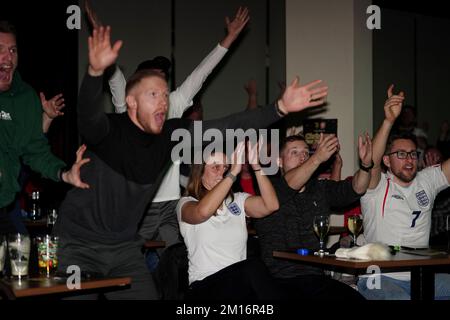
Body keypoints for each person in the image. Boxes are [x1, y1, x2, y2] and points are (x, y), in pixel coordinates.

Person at [53, 25, 328, 299]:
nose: (163, 101)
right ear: (131, 102)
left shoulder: (171, 134)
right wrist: (94, 73)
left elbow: (227, 124)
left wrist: (278, 108)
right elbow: (86, 114)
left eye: (164, 95)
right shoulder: (109, 130)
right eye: (153, 95)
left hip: (123, 248)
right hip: (80, 245)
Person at [97, 5, 252, 258]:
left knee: (175, 262)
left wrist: (229, 38)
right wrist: (105, 53)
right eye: (152, 86)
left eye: (163, 83)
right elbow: (115, 80)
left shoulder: (174, 104)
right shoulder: (129, 106)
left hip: (171, 204)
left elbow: (201, 74)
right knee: (127, 262)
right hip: (140, 204)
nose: (160, 91)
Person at [358, 84, 450, 300]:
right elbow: (371, 161)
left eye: (412, 154)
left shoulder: (426, 180)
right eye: (400, 154)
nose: (409, 159)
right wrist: (389, 120)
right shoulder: (376, 186)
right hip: (380, 277)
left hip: (422, 274)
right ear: (387, 160)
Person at [254, 132, 372, 300]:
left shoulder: (320, 188)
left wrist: (366, 166)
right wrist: (316, 158)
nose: (302, 156)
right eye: (294, 152)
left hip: (315, 277)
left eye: (305, 153)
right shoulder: (269, 190)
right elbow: (289, 184)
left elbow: (357, 188)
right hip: (278, 280)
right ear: (279, 162)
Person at [0, 21, 88, 236]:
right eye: (0, 50)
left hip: (4, 206)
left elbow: (35, 150)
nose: (8, 58)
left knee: (19, 254)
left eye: (12, 50)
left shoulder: (25, 97)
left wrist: (65, 174)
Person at [177, 142, 282, 300]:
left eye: (225, 168)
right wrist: (232, 174)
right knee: (253, 267)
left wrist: (256, 167)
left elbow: (271, 205)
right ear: (200, 172)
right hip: (204, 286)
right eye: (215, 167)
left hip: (238, 283)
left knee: (255, 275)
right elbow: (203, 212)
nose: (222, 173)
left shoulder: (237, 200)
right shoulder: (186, 203)